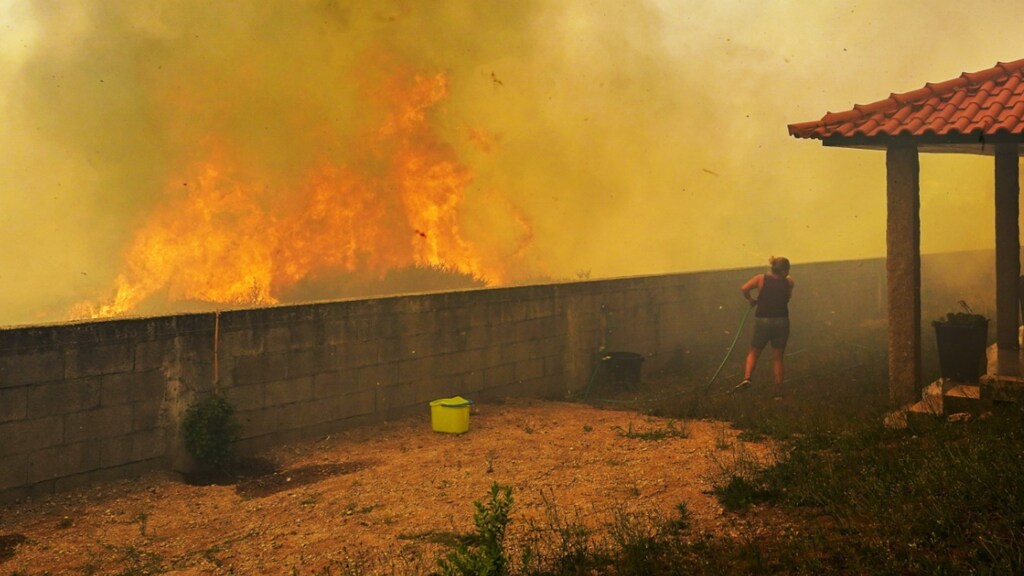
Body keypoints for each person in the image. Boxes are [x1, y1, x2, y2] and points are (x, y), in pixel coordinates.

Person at [735, 256, 794, 395]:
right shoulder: (789, 282)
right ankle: (778, 391)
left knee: (754, 352)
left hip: (762, 320)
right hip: (781, 321)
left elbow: (744, 288)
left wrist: (751, 299)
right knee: (778, 357)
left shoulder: (760, 279)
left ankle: (747, 378)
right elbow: (788, 298)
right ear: (785, 271)